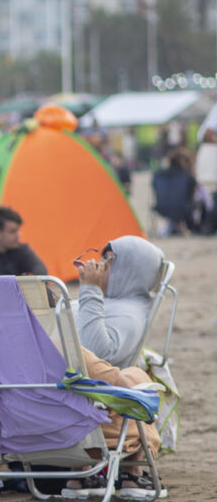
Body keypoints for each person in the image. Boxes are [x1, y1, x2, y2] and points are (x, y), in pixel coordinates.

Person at [72, 235, 165, 369]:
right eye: (102, 258)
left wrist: (90, 290)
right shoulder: (113, 299)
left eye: (108, 261)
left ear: (127, 271)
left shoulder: (130, 316)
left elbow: (96, 355)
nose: (99, 265)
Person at [0, 207, 47, 277]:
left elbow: (40, 269)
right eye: (12, 231)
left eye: (18, 230)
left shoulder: (21, 250)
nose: (18, 235)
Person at [151, 149, 198, 237]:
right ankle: (192, 227)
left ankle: (175, 226)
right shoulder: (187, 176)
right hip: (182, 208)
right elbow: (193, 193)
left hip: (161, 207)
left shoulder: (158, 174)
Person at [195, 127, 217, 235]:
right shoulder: (209, 150)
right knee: (210, 206)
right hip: (208, 182)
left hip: (205, 182)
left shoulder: (203, 149)